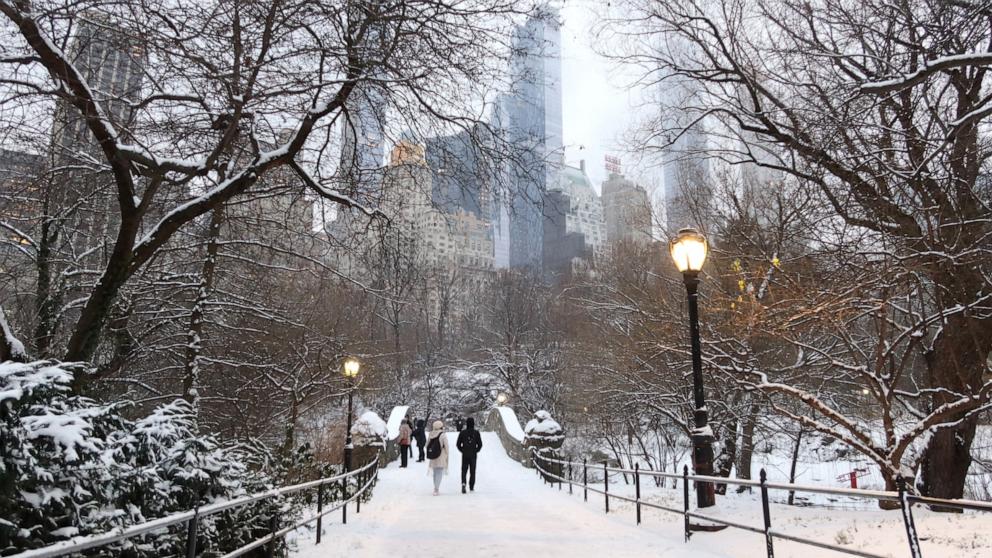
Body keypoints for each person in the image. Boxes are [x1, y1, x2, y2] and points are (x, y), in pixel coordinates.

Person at [455, 416, 483, 493]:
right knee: (472, 471)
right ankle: (471, 486)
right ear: (473, 424)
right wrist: (476, 450)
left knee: (464, 470)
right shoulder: (476, 433)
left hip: (465, 454)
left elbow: (458, 444)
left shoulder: (462, 433)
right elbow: (480, 444)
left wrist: (462, 450)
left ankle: (463, 483)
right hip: (473, 454)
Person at [426, 420, 449, 495]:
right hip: (441, 455)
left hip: (433, 456)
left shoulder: (431, 434)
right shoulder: (443, 435)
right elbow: (446, 446)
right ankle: (436, 489)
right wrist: (447, 454)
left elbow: (427, 445)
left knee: (435, 472)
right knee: (439, 472)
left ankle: (435, 488)